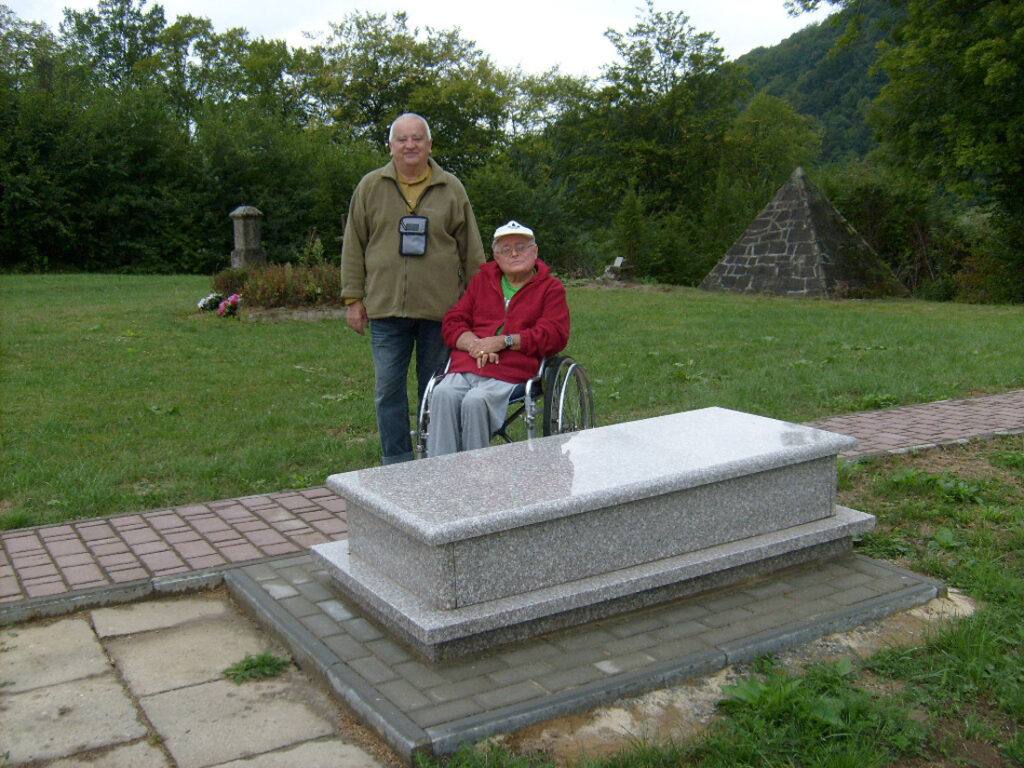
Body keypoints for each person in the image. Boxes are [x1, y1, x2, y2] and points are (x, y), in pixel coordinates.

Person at [341, 113, 486, 464]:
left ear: (429, 145)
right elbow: (353, 244)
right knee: (387, 391)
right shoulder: (370, 187)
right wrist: (353, 299)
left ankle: (433, 460)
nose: (410, 145)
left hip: (442, 312)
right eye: (402, 139)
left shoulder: (451, 188)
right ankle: (397, 464)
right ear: (390, 146)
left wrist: (479, 304)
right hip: (386, 310)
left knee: (435, 392)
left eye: (417, 139)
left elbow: (472, 251)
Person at [427, 220, 570, 456]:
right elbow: (453, 321)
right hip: (467, 365)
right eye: (505, 249)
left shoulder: (550, 288)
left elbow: (554, 334)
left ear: (534, 251)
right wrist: (476, 345)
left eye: (521, 247)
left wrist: (505, 341)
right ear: (496, 257)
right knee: (442, 394)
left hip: (512, 371)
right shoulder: (482, 282)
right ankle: (439, 473)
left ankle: (476, 474)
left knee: (476, 401)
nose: (514, 253)